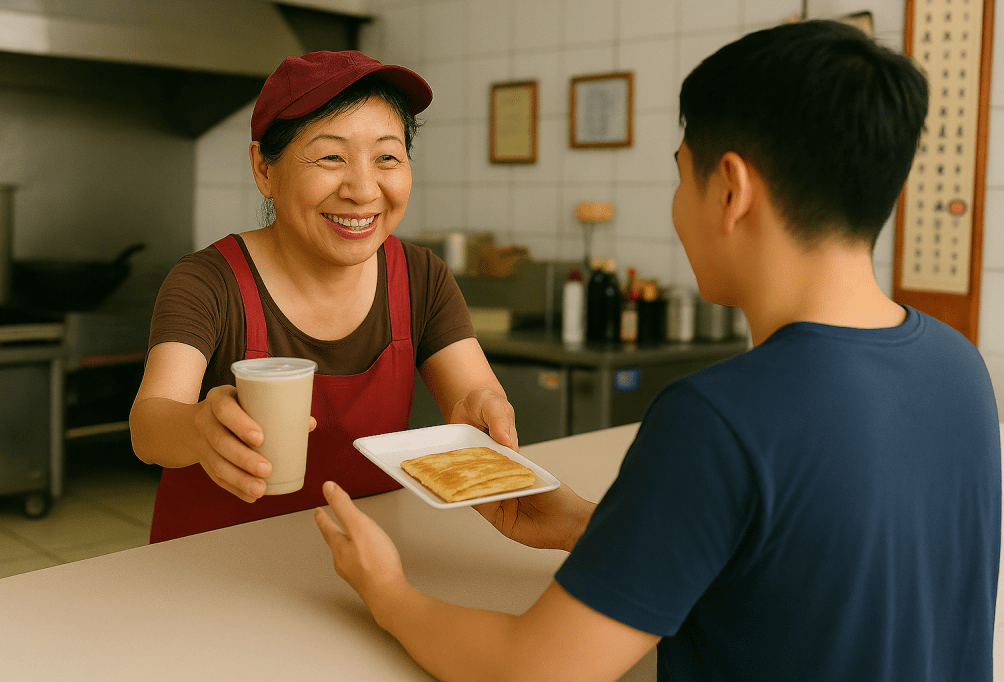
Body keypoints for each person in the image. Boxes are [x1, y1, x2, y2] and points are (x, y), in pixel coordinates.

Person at [314, 20, 1002, 681]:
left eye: (682, 174)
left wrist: (386, 591)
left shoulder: (718, 418)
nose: (678, 207)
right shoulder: (958, 365)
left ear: (730, 190)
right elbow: (811, 576)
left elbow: (530, 668)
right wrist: (595, 527)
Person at [130, 50, 518, 544]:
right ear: (264, 169)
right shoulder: (208, 282)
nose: (363, 189)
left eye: (387, 158)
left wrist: (485, 411)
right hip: (213, 565)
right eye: (331, 156)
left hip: (361, 561)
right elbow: (150, 424)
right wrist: (199, 427)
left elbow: (470, 395)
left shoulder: (421, 276)